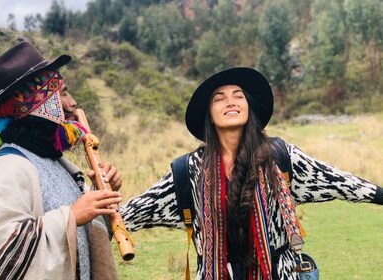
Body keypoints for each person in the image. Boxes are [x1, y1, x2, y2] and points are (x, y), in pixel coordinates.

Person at [120, 67, 383, 280]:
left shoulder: (280, 157)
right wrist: (85, 215)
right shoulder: (186, 171)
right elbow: (127, 216)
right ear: (209, 115)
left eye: (238, 95)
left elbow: (340, 182)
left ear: (248, 107)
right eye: (219, 98)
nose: (230, 102)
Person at [0, 42, 122, 280]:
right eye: (62, 93)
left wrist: (101, 198)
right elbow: (4, 258)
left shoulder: (55, 163)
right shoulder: (8, 168)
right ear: (38, 104)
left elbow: (83, 242)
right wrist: (72, 216)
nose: (72, 104)